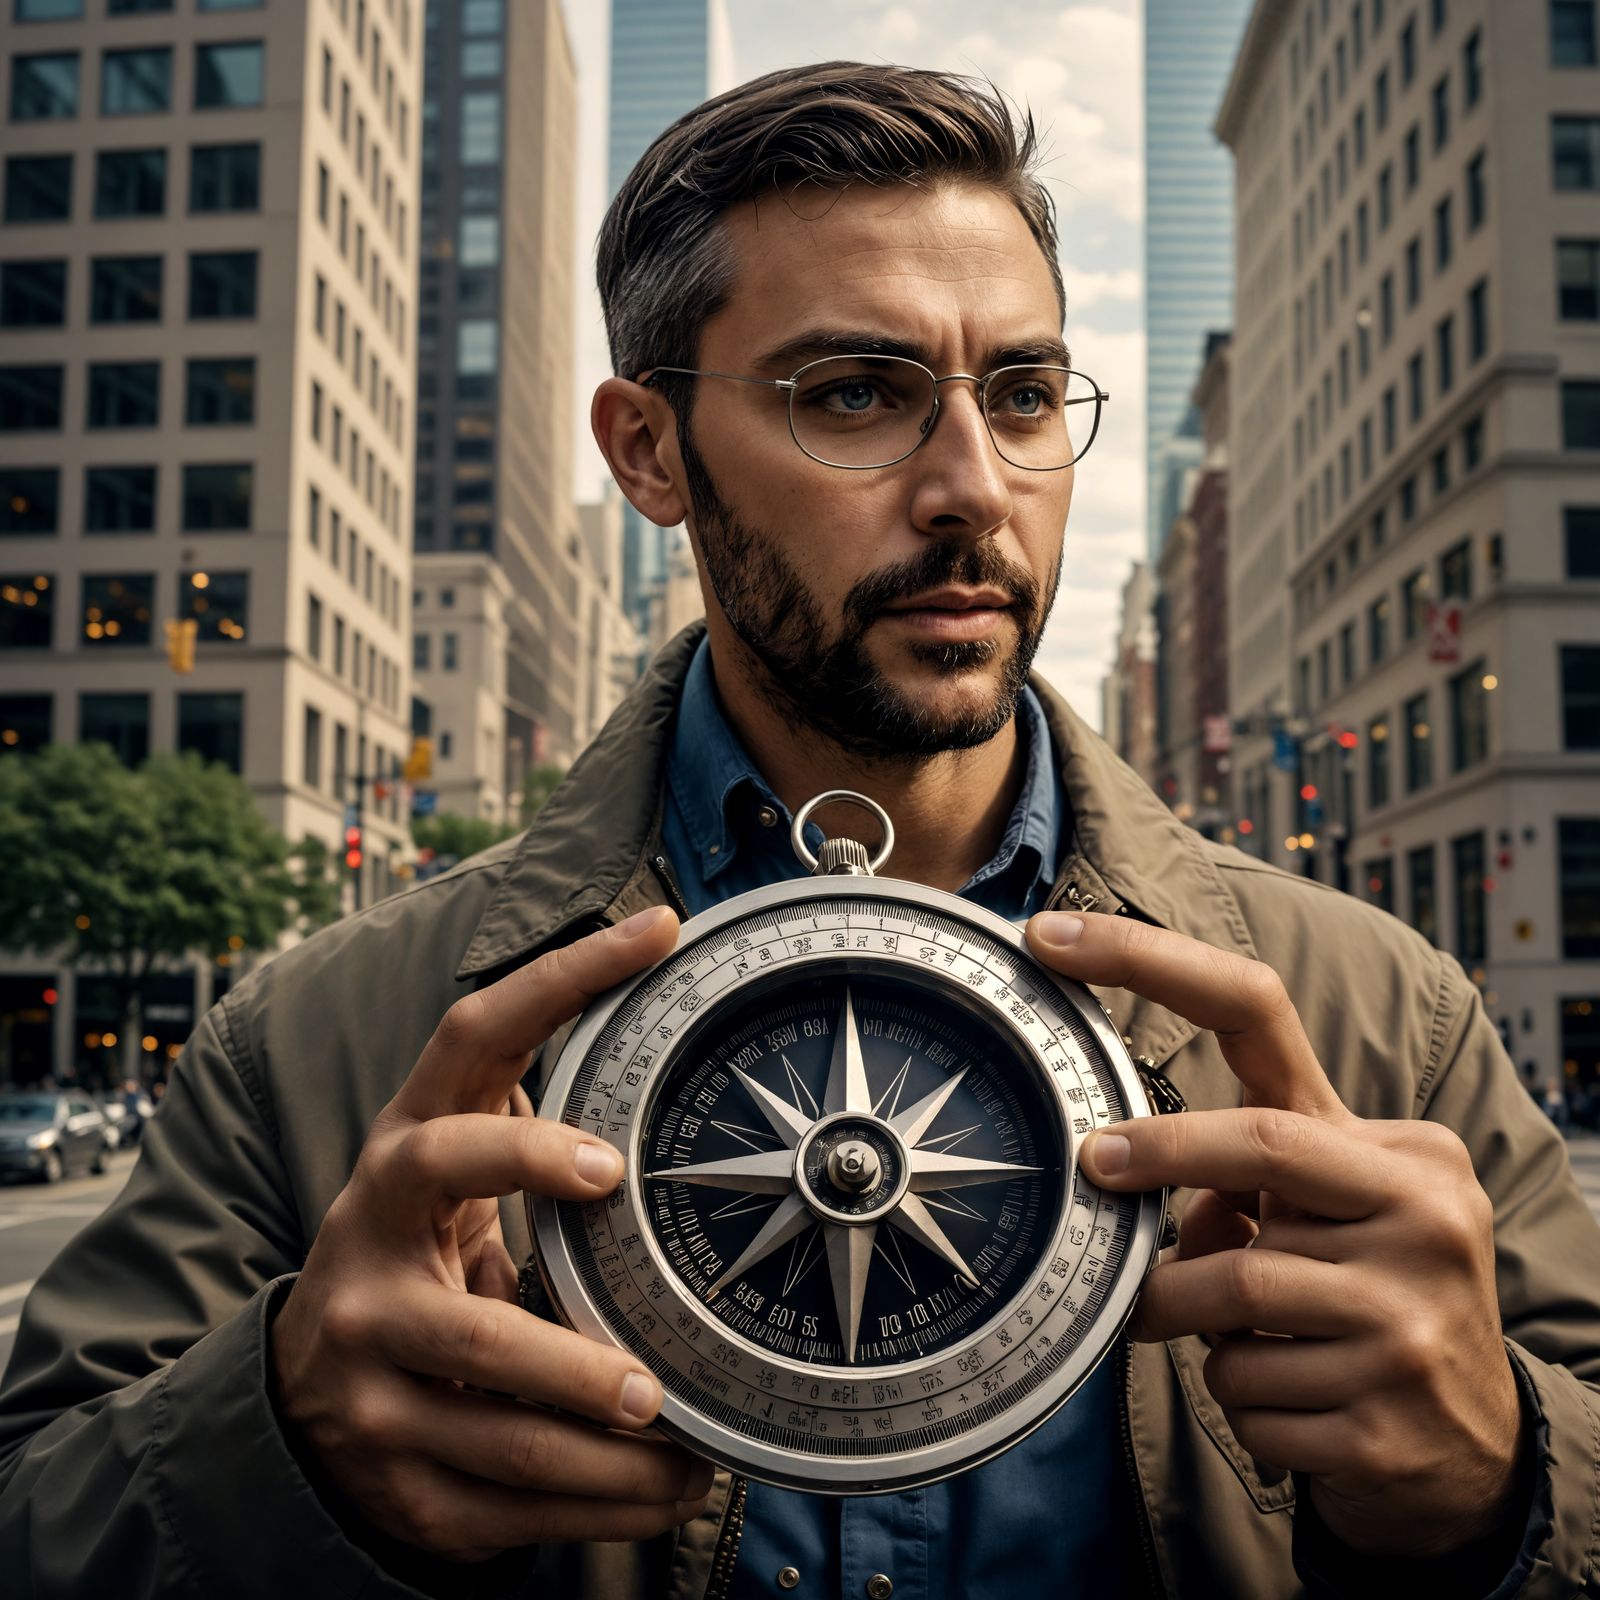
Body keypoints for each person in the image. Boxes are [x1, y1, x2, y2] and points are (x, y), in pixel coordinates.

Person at [2, 61, 1597, 1599]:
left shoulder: (1383, 1021)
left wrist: (1497, 1480)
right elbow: (37, 1516)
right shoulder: (315, 1049)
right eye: (856, 393)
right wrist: (283, 1454)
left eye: (1026, 393)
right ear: (648, 452)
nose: (975, 485)